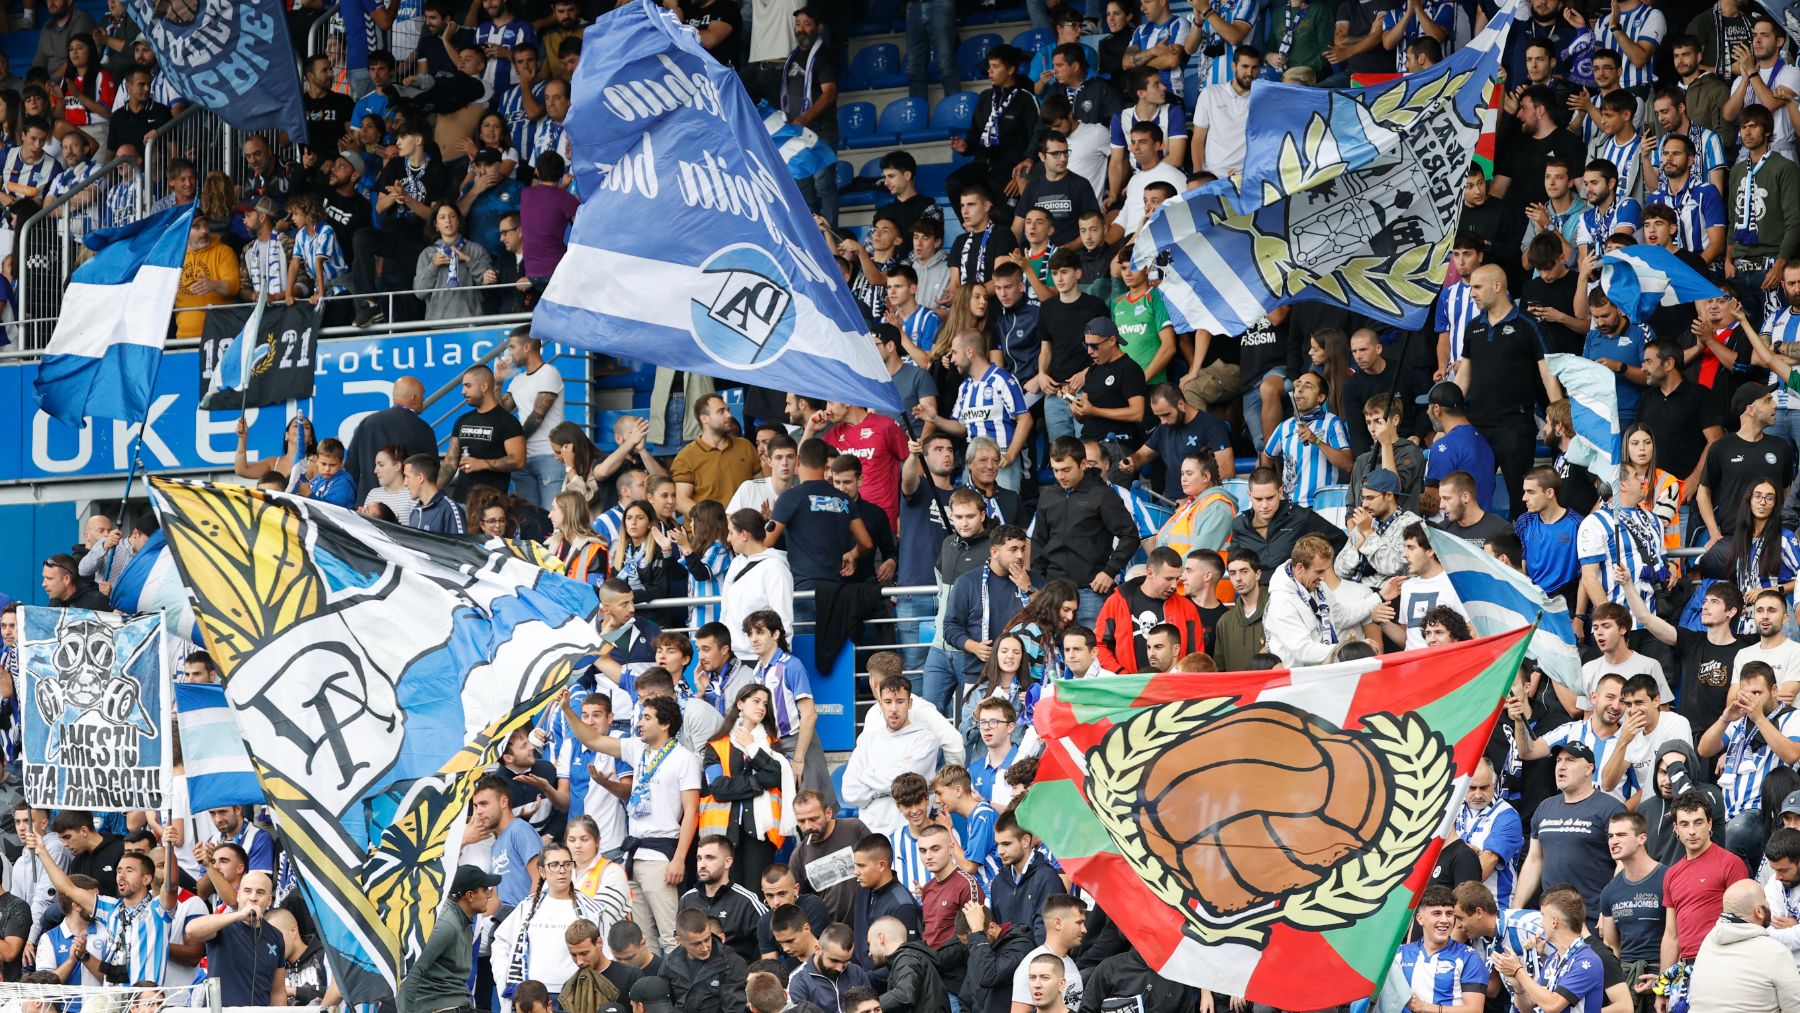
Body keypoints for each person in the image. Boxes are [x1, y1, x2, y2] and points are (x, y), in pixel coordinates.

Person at [558, 693, 701, 954]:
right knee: (644, 939)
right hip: (634, 855)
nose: (640, 724)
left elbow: (691, 812)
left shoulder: (684, 758)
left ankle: (678, 982)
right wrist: (567, 709)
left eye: (647, 718)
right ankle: (653, 981)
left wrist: (679, 858)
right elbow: (591, 739)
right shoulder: (637, 749)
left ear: (665, 724)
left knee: (670, 937)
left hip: (661, 856)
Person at [1697, 661, 1800, 867]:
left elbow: (1791, 754)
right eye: (1746, 694)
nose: (1751, 699)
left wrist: (1759, 718)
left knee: (1735, 834)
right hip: (1728, 811)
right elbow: (1704, 749)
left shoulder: (1792, 716)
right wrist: (1725, 719)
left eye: (1757, 693)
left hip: (1763, 810)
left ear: (1774, 690)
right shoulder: (1739, 722)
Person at [1031, 437, 1141, 628]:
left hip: (1090, 591)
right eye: (1056, 470)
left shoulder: (1102, 494)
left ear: (1083, 464)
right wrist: (1038, 583)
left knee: (1092, 644)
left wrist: (1109, 571)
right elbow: (1039, 540)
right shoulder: (1047, 495)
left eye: (1066, 470)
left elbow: (1130, 536)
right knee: (1051, 645)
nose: (1060, 476)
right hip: (1052, 590)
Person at [1513, 740, 1628, 914]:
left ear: (1588, 769)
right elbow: (1534, 860)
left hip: (1592, 916)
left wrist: (1608, 911)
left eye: (1570, 760)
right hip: (1551, 917)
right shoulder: (1545, 807)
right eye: (1558, 760)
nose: (1561, 766)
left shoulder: (1610, 808)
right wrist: (1516, 908)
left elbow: (1624, 863)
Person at [492, 842, 609, 1009]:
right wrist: (504, 979)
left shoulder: (591, 910)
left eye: (567, 864)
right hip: (533, 999)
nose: (562, 870)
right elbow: (501, 942)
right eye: (554, 865)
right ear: (542, 871)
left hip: (578, 996)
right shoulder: (526, 907)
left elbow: (605, 951)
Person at [1662, 789, 1751, 977]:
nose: (1692, 831)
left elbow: (1746, 922)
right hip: (1686, 968)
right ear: (1676, 829)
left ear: (1709, 824)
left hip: (1723, 961)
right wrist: (1663, 984)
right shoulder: (1671, 874)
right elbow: (1671, 935)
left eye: (1698, 822)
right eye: (1684, 824)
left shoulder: (1730, 863)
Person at [840, 679, 944, 836]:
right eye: (888, 702)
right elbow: (849, 792)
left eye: (900, 701)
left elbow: (907, 787)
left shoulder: (926, 739)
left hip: (909, 835)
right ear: (880, 704)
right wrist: (889, 787)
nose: (894, 709)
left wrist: (864, 776)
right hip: (870, 836)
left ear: (909, 703)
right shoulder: (866, 741)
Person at [1264, 535, 1386, 666]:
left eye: (1325, 570)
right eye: (1319, 571)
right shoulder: (1281, 601)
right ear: (1300, 568)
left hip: (1323, 672)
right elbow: (1303, 650)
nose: (1323, 577)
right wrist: (1350, 650)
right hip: (1297, 677)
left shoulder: (1318, 586)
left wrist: (1379, 596)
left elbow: (1342, 616)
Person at [1688, 878, 1800, 1009]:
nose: (1768, 903)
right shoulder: (1776, 952)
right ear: (1759, 912)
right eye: (1765, 899)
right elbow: (1795, 1007)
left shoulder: (1708, 942)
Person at [399, 865, 496, 1013]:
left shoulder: (463, 920)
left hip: (458, 1005)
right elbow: (411, 972)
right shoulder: (446, 925)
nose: (489, 895)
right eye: (485, 890)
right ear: (470, 896)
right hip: (441, 1008)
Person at [1093, 547, 1201, 674]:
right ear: (1150, 573)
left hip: (1174, 684)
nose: (1174, 585)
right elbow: (1098, 646)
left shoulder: (1187, 607)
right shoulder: (1117, 601)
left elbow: (1196, 657)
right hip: (1128, 683)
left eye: (1177, 579)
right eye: (1168, 579)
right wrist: (1121, 673)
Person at [1492, 891, 1605, 1009]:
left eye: (1543, 916)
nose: (1541, 922)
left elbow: (1552, 1005)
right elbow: (1527, 1007)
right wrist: (1518, 986)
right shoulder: (1553, 960)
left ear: (1554, 922)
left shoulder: (1587, 960)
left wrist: (1518, 971)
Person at [1386, 884, 1485, 1012]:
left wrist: (1425, 1007)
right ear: (1420, 919)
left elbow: (1475, 1010)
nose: (1444, 920)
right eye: (1437, 913)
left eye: (1449, 914)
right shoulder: (1399, 954)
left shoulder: (1469, 957)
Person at [673, 394, 761, 515]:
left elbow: (760, 487)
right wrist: (713, 520)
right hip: (707, 526)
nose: (729, 415)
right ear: (704, 418)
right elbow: (681, 500)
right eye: (721, 411)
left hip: (744, 524)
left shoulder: (746, 446)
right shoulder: (686, 457)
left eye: (728, 410)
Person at [667, 908, 749, 1013]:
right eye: (696, 944)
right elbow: (664, 1001)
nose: (705, 948)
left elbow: (734, 1009)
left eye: (707, 939)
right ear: (679, 941)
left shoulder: (731, 963)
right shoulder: (671, 963)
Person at [782, 918, 870, 1012]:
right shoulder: (799, 980)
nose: (840, 968)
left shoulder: (857, 972)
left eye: (845, 961)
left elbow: (871, 1006)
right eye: (834, 960)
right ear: (817, 949)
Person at [867, 914, 949, 1013]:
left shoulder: (907, 959)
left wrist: (869, 1008)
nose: (869, 953)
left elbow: (904, 994)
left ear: (881, 938)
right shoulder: (910, 957)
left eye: (869, 943)